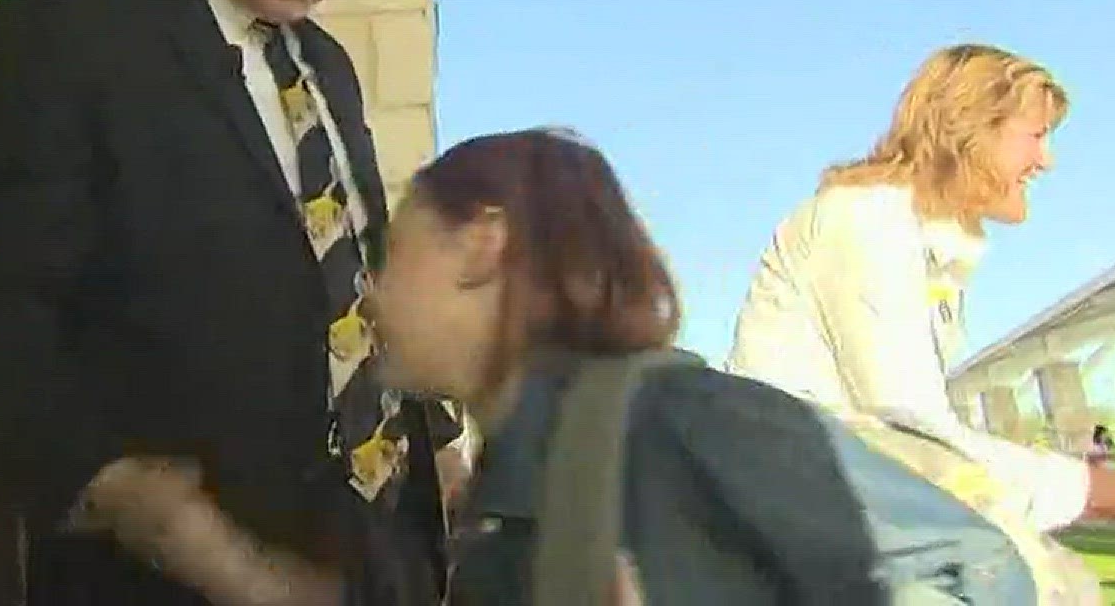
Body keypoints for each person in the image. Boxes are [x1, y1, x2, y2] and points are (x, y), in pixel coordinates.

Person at [0, 0, 460, 606]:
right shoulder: (67, 36)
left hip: (381, 568)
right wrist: (168, 524)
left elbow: (356, 284)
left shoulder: (329, 68)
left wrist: (438, 460)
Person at [726, 44, 1115, 566]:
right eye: (1036, 136)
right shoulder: (868, 220)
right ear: (967, 131)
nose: (1047, 160)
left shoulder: (920, 240)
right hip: (803, 535)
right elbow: (914, 436)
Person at [366, 127, 890, 604]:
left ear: (482, 244)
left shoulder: (698, 424)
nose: (371, 296)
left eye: (395, 251)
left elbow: (941, 575)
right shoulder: (495, 506)